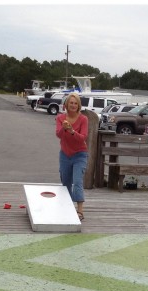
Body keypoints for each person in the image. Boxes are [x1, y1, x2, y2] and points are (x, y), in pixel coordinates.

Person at [55, 92, 88, 220]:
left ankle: (80, 211)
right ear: (66, 105)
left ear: (78, 105)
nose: (73, 105)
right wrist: (64, 128)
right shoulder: (60, 118)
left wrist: (72, 131)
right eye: (71, 103)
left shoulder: (83, 119)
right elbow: (58, 135)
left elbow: (83, 138)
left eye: (75, 103)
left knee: (78, 181)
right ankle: (67, 207)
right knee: (65, 182)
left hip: (80, 154)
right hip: (65, 154)